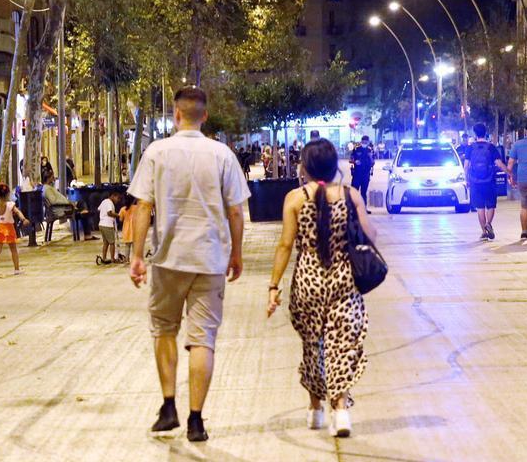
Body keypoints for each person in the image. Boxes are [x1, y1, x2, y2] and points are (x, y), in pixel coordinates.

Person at [129, 87, 250, 443]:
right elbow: (236, 211)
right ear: (205, 116)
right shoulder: (222, 155)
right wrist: (236, 253)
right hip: (210, 260)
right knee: (203, 340)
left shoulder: (157, 152)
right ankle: (196, 420)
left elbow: (143, 207)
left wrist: (136, 256)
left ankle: (169, 407)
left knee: (164, 330)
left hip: (168, 259)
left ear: (176, 116)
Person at [267, 139, 374, 437]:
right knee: (342, 345)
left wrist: (273, 287)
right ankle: (340, 411)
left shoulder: (294, 199)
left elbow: (286, 245)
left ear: (305, 167)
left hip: (308, 281)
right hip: (344, 281)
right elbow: (370, 234)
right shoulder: (350, 196)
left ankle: (315, 408)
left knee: (313, 345)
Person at [464, 123, 511, 241]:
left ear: (475, 133)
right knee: (490, 205)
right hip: (489, 181)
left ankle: (484, 232)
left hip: (475, 181)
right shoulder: (491, 147)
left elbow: (466, 166)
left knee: (480, 207)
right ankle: (489, 224)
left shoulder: (470, 148)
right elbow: (499, 163)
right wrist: (509, 173)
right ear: (485, 132)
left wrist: (467, 179)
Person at [0, 182, 31, 277]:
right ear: (8, 194)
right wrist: (23, 219)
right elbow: (18, 212)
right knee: (13, 249)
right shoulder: (10, 205)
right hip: (9, 228)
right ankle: (16, 269)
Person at [41, 174, 90, 239]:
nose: (54, 179)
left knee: (82, 205)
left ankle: (84, 214)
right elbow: (54, 201)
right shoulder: (47, 189)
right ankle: (87, 234)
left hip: (66, 206)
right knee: (83, 208)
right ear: (48, 178)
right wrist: (68, 203)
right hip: (62, 208)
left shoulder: (48, 188)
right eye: (52, 177)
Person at [97, 192, 122, 263]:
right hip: (107, 225)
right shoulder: (109, 203)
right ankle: (112, 259)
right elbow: (109, 213)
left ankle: (104, 258)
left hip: (101, 224)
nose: (118, 200)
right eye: (117, 198)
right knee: (112, 243)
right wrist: (118, 215)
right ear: (113, 196)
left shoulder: (104, 201)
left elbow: (99, 209)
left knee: (106, 243)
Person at [349, 136, 375, 203]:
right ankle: (353, 208)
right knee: (354, 192)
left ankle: (363, 208)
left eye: (366, 142)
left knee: (363, 192)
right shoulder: (356, 149)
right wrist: (355, 161)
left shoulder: (370, 150)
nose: (364, 143)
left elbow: (373, 163)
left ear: (368, 142)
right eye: (363, 142)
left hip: (366, 174)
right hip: (357, 174)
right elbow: (350, 160)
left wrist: (370, 156)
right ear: (361, 141)